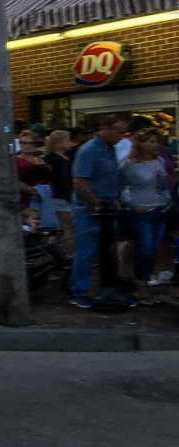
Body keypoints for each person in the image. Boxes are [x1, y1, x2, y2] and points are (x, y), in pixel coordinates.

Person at [69, 114, 130, 308]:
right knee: (86, 252)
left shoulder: (110, 149)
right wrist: (95, 203)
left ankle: (106, 288)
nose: (122, 136)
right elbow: (80, 180)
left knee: (105, 251)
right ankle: (79, 292)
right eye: (118, 132)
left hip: (107, 207)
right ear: (105, 128)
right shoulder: (89, 150)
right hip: (90, 209)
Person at [119, 129, 172, 300]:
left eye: (156, 142)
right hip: (142, 211)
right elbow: (121, 187)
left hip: (160, 210)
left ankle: (144, 281)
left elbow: (162, 184)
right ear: (140, 143)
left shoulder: (158, 161)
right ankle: (139, 283)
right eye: (150, 141)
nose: (155, 145)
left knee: (153, 250)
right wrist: (132, 205)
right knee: (145, 249)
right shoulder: (128, 164)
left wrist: (168, 202)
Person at [43, 129, 75, 255]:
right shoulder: (51, 159)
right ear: (59, 142)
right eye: (67, 140)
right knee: (65, 228)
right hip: (58, 196)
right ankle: (66, 254)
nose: (70, 143)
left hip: (65, 196)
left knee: (66, 228)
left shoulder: (63, 159)